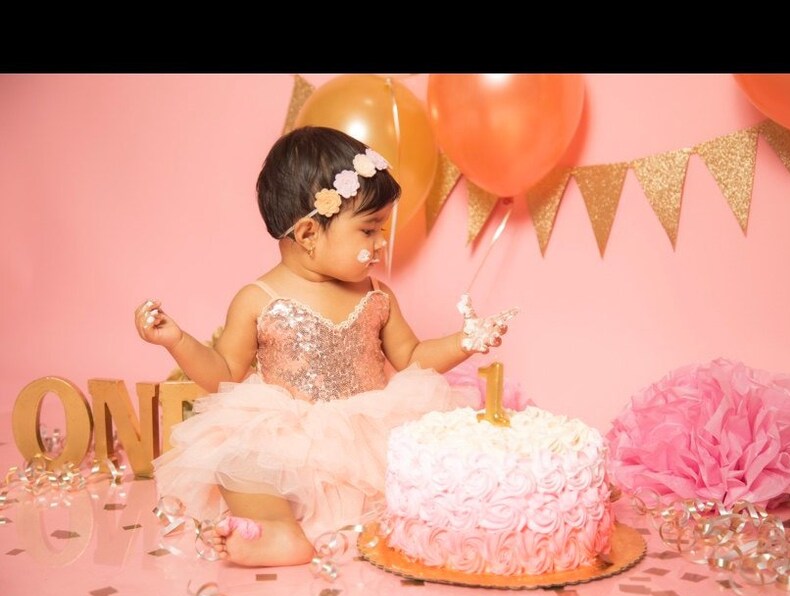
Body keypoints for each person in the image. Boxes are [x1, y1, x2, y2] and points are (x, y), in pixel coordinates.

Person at [134, 126, 516, 567]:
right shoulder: (258, 300)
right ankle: (280, 533)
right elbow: (225, 375)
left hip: (366, 432)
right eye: (369, 230)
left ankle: (415, 522)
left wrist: (464, 341)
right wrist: (177, 342)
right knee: (237, 464)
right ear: (309, 234)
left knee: (428, 461)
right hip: (288, 439)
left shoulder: (376, 296)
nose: (381, 243)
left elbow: (412, 360)